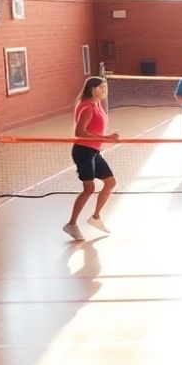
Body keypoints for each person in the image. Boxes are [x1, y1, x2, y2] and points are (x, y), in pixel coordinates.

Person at [63, 76, 120, 242]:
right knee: (89, 188)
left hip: (94, 151)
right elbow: (79, 133)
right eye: (101, 87)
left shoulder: (97, 104)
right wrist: (108, 138)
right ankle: (71, 224)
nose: (104, 91)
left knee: (110, 182)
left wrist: (104, 138)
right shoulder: (87, 107)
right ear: (93, 89)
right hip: (83, 151)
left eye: (105, 87)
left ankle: (96, 217)